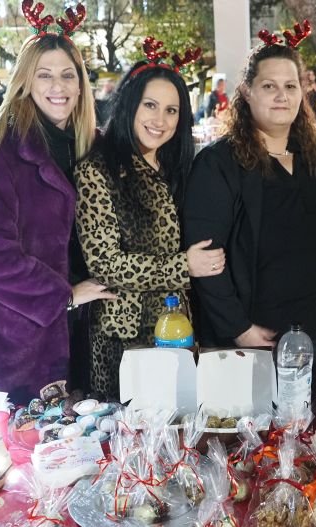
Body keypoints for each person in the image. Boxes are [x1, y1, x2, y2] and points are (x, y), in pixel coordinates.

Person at [0, 31, 114, 405]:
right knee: (27, 436)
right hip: (17, 336)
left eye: (68, 75)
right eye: (44, 75)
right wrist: (64, 295)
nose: (58, 86)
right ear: (25, 81)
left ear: (81, 83)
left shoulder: (94, 143)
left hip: (89, 330)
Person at [182, 36, 316, 397]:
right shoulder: (218, 164)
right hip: (258, 339)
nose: (281, 96)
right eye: (269, 86)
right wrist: (239, 329)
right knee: (266, 433)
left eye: (290, 86)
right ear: (247, 92)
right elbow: (207, 260)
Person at [75, 60, 223, 398]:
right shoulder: (98, 170)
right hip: (125, 338)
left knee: (182, 419)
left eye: (171, 110)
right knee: (131, 426)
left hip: (181, 328)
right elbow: (105, 264)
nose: (160, 120)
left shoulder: (179, 167)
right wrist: (184, 266)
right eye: (150, 105)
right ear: (130, 104)